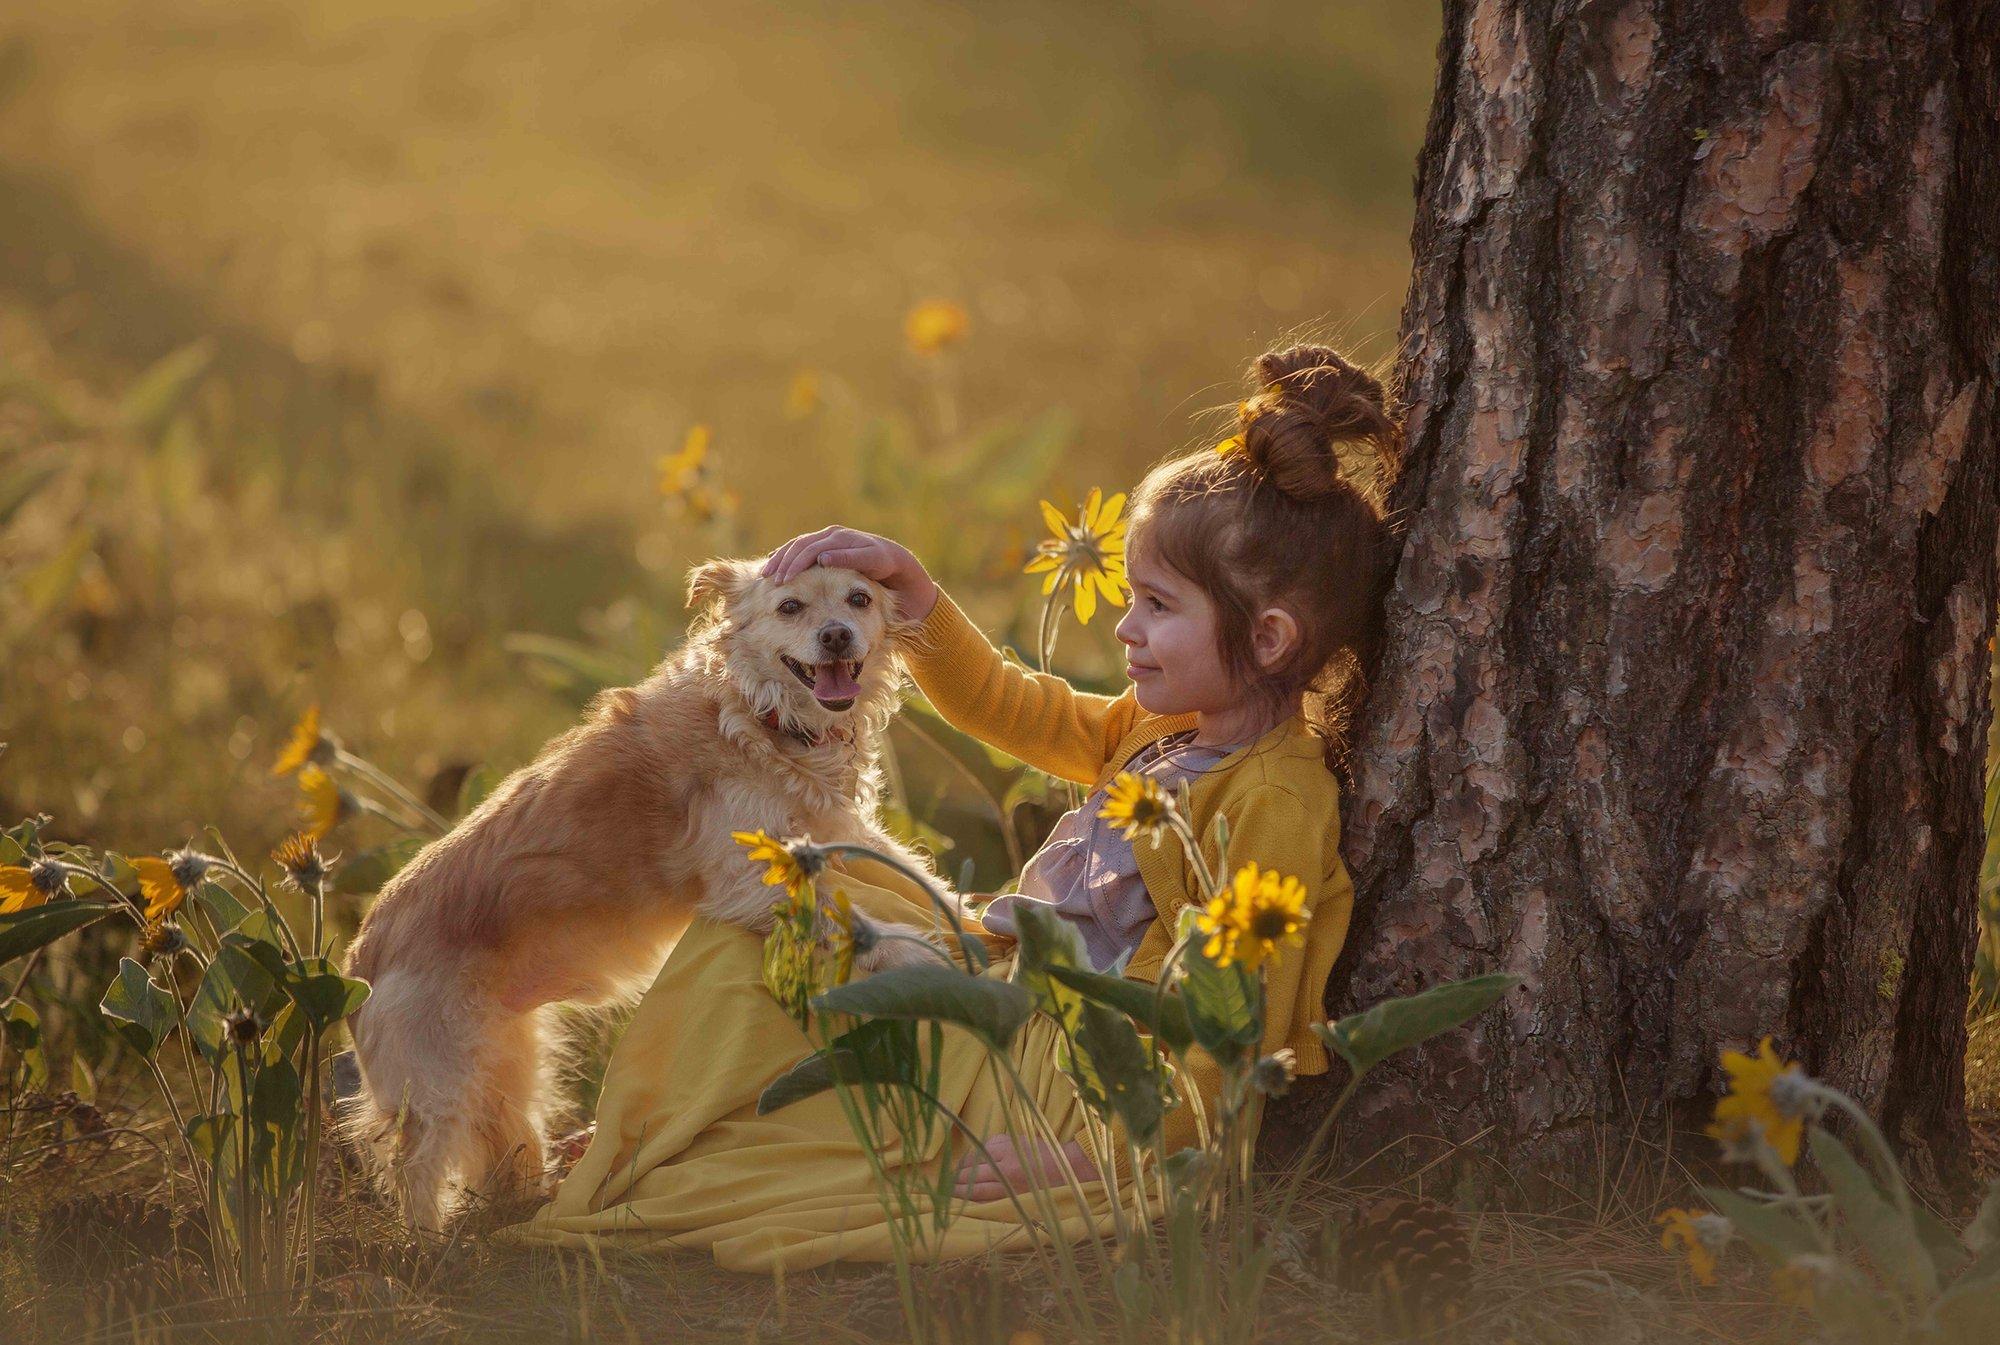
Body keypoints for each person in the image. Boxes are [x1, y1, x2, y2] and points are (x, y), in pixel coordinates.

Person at [500, 343, 1402, 1271]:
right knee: (778, 910)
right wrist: (915, 592)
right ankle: (659, 1129)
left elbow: (1233, 1024)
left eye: (1158, 605)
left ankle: (685, 1156)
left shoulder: (1276, 800)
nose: (1126, 627)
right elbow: (1013, 706)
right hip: (1003, 971)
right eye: (1129, 595)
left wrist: (1095, 1154)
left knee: (850, 1083)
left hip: (1084, 1063)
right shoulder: (1157, 723)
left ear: (1268, 635)